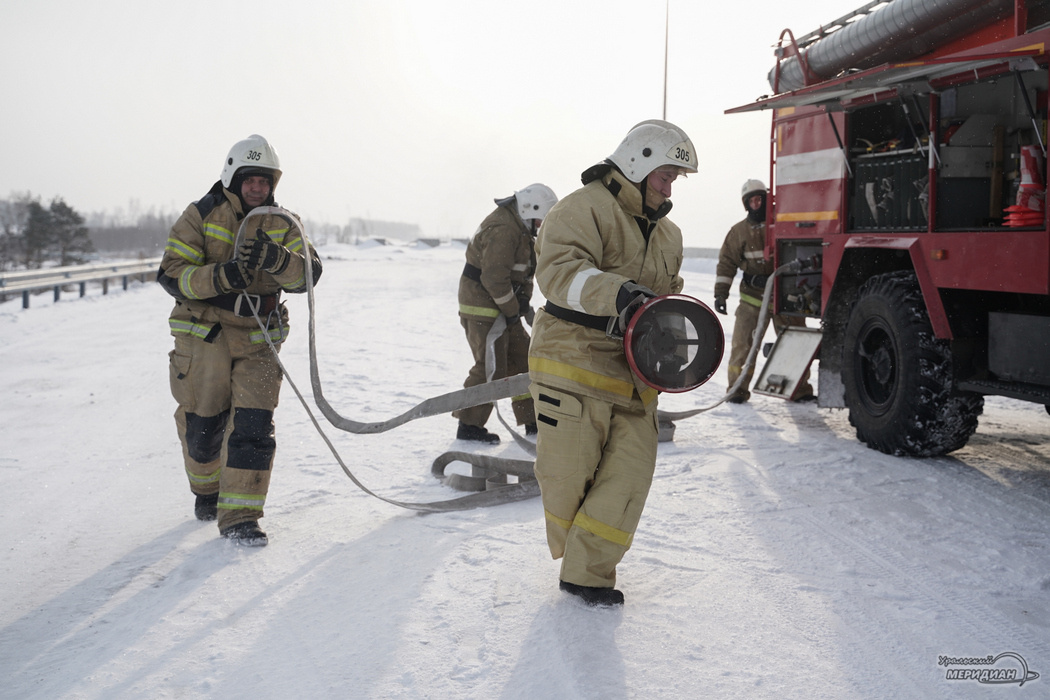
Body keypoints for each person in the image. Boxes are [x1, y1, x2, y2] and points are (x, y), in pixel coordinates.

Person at [527, 120, 696, 607]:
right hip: (572, 363)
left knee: (629, 478)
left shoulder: (670, 235)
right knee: (568, 479)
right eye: (665, 176)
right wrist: (618, 293)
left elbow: (667, 298)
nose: (668, 189)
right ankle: (576, 558)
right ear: (638, 162)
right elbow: (560, 274)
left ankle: (588, 575)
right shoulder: (579, 210)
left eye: (674, 180)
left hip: (636, 378)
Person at [157, 134, 323, 546]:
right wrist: (221, 277)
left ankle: (241, 517)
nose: (257, 189)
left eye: (264, 182)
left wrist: (279, 261)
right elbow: (171, 273)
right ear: (234, 176)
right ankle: (207, 490)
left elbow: (310, 274)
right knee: (204, 427)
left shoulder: (285, 223)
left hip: (259, 338)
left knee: (253, 427)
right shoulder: (201, 214)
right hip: (205, 334)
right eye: (250, 180)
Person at [453, 184, 558, 443]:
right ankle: (469, 426)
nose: (542, 226)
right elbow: (495, 278)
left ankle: (533, 420)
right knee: (492, 366)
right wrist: (513, 311)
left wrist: (521, 305)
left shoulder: (520, 229)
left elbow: (522, 273)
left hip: (500, 305)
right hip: (482, 306)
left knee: (523, 359)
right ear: (529, 209)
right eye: (541, 219)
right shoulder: (504, 229)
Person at [714, 179, 815, 403]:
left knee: (795, 344)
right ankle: (737, 390)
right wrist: (721, 293)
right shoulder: (738, 232)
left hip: (786, 299)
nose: (757, 203)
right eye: (752, 200)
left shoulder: (785, 224)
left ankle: (800, 390)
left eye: (760, 198)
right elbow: (726, 263)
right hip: (753, 300)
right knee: (743, 346)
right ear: (747, 204)